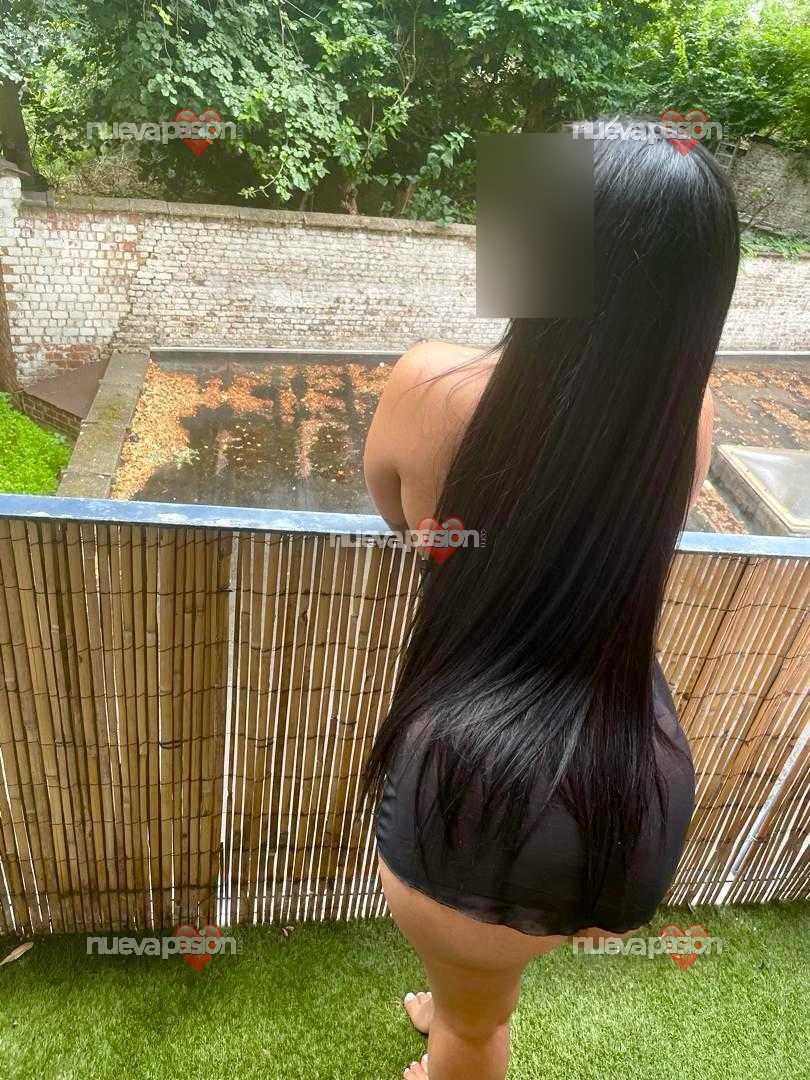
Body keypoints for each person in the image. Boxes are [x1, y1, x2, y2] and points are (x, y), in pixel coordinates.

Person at [362, 119, 739, 1080]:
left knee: (474, 1032)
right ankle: (459, 991)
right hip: (630, 777)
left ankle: (458, 1025)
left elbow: (407, 525)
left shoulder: (427, 385)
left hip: (479, 784)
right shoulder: (688, 415)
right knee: (478, 978)